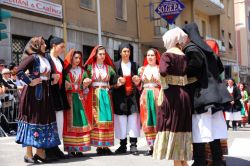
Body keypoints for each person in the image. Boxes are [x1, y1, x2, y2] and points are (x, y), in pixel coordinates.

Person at [183, 22, 230, 166]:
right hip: (215, 96)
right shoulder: (209, 49)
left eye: (184, 36)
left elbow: (193, 69)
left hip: (201, 96)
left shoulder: (192, 49)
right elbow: (221, 69)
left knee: (200, 130)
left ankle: (199, 162)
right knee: (215, 132)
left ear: (189, 36)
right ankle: (218, 161)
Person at [15, 37, 60, 163]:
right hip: (33, 94)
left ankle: (40, 153)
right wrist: (30, 82)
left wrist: (53, 78)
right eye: (43, 43)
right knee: (32, 119)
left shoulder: (45, 58)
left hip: (45, 93)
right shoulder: (32, 57)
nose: (45, 45)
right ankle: (28, 154)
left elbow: (46, 76)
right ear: (36, 45)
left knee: (42, 120)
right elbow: (18, 71)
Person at [152, 27, 192, 166]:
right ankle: (183, 162)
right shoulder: (184, 55)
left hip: (172, 95)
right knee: (182, 128)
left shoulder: (167, 55)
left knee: (172, 126)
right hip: (184, 95)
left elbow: (163, 71)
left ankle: (177, 162)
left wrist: (165, 83)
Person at [84, 46, 117, 155]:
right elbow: (84, 78)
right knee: (97, 120)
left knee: (107, 119)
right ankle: (99, 145)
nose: (102, 56)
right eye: (100, 54)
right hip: (94, 95)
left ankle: (106, 145)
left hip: (106, 95)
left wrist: (118, 81)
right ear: (95, 55)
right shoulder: (89, 68)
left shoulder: (109, 68)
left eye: (104, 54)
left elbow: (114, 80)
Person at [112, 43, 141, 155]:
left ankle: (133, 145)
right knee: (121, 121)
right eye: (124, 51)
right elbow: (112, 79)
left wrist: (137, 79)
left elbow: (140, 79)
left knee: (133, 120)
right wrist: (118, 80)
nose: (126, 53)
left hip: (133, 97)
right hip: (120, 97)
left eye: (128, 51)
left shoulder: (135, 65)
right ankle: (122, 145)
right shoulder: (115, 65)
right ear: (120, 52)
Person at [63, 49, 92, 157]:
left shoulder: (83, 71)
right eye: (76, 57)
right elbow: (62, 86)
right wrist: (66, 85)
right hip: (69, 99)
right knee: (69, 123)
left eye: (79, 58)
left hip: (80, 99)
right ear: (71, 58)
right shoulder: (66, 71)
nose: (78, 60)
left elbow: (85, 88)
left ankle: (80, 148)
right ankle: (71, 148)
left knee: (81, 122)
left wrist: (85, 85)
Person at [45, 36, 70, 160]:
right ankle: (49, 149)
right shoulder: (46, 59)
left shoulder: (59, 60)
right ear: (54, 46)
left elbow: (63, 76)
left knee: (59, 122)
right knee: (50, 122)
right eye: (61, 47)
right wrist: (51, 79)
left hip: (59, 96)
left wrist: (65, 82)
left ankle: (55, 147)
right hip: (49, 96)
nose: (63, 49)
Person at [135, 48, 161, 156]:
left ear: (156, 57)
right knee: (146, 120)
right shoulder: (141, 70)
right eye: (148, 55)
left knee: (157, 120)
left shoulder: (160, 69)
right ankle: (150, 146)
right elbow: (139, 86)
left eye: (152, 55)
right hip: (145, 95)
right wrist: (137, 83)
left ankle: (158, 146)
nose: (150, 57)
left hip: (156, 94)